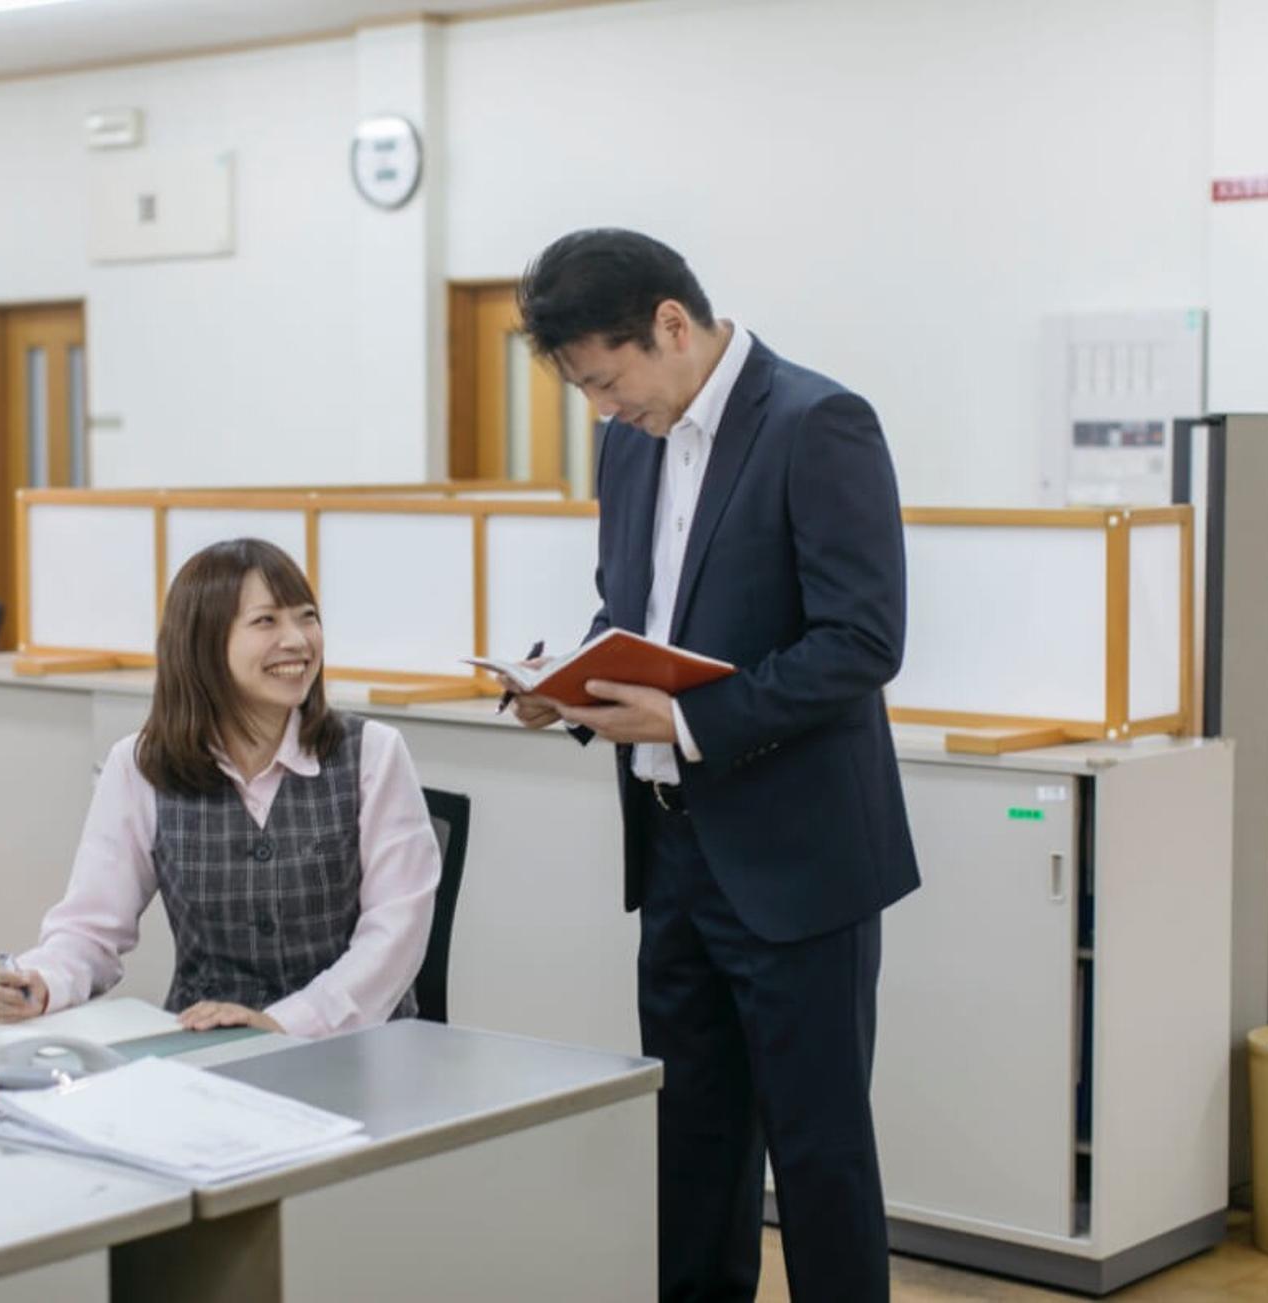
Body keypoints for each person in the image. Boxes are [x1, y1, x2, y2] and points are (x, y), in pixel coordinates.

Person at [510, 229, 920, 1302]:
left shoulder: (818, 423)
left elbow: (861, 641)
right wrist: (569, 689)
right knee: (690, 1144)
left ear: (671, 325)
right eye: (582, 390)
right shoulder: (629, 445)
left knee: (819, 1151)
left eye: (606, 380)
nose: (601, 408)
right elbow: (632, 614)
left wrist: (690, 721)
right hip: (674, 851)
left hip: (797, 857)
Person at [0, 538, 440, 1036]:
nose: (297, 640)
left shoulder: (373, 753)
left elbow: (394, 938)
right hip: (205, 1048)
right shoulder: (141, 766)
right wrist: (44, 981)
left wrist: (283, 1022)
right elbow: (90, 928)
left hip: (355, 1050)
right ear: (203, 642)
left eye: (306, 617)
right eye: (266, 621)